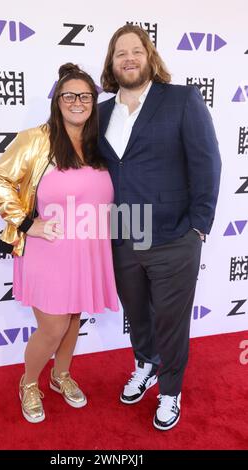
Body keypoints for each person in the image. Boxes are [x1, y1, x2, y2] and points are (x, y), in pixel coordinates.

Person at [99, 25, 221, 430]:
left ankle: (170, 390)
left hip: (174, 237)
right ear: (112, 63)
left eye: (136, 50)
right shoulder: (100, 112)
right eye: (120, 53)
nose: (128, 58)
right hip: (121, 236)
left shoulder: (182, 100)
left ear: (150, 56)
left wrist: (199, 226)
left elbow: (207, 163)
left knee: (171, 320)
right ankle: (146, 364)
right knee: (138, 314)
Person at [0, 63, 119, 424]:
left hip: (88, 249)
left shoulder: (98, 142)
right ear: (57, 101)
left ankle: (61, 376)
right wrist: (28, 223)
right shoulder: (36, 139)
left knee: (74, 317)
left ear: (94, 101)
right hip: (49, 250)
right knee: (53, 326)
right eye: (69, 96)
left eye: (85, 96)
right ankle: (29, 382)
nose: (78, 102)